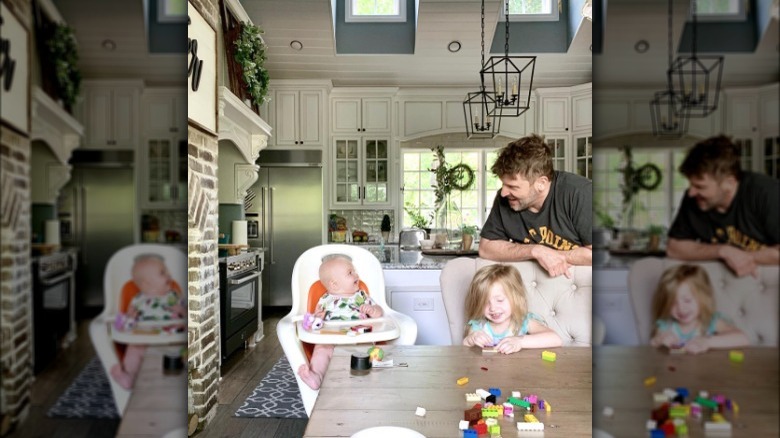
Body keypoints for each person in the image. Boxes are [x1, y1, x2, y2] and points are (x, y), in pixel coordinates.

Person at [479, 134, 592, 278]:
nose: (503, 193)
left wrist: (554, 256)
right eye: (503, 184)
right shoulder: (505, 199)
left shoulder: (581, 193)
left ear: (541, 183)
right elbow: (486, 248)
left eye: (513, 186)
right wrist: (536, 251)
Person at [667, 135, 779, 277]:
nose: (691, 192)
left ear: (729, 183)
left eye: (700, 186)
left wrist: (741, 257)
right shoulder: (693, 199)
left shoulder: (767, 193)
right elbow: (674, 248)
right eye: (690, 184)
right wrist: (723, 251)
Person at [297, 255, 383, 390]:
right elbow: (316, 321)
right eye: (350, 273)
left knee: (368, 348)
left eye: (354, 271)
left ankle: (364, 382)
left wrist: (372, 310)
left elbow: (379, 312)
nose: (356, 275)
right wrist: (318, 316)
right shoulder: (325, 299)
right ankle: (316, 376)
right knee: (321, 349)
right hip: (331, 338)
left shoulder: (361, 296)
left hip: (358, 337)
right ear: (334, 284)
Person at [111, 254, 185, 389]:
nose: (169, 274)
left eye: (167, 271)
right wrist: (128, 318)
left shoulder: (174, 296)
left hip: (171, 339)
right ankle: (129, 377)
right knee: (133, 350)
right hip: (144, 341)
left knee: (185, 351)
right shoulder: (138, 301)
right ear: (147, 283)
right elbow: (123, 326)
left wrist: (182, 311)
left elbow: (188, 317)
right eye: (163, 272)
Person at [650, 264, 749, 354]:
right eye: (672, 302)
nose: (681, 308)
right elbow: (653, 343)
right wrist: (660, 339)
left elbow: (743, 339)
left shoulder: (711, 322)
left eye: (687, 300)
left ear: (703, 298)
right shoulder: (666, 325)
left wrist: (707, 342)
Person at [462, 264, 562, 353]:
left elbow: (556, 339)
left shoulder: (523, 322)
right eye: (485, 302)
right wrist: (472, 339)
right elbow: (465, 347)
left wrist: (519, 341)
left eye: (500, 300)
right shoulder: (478, 325)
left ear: (516, 298)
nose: (493, 308)